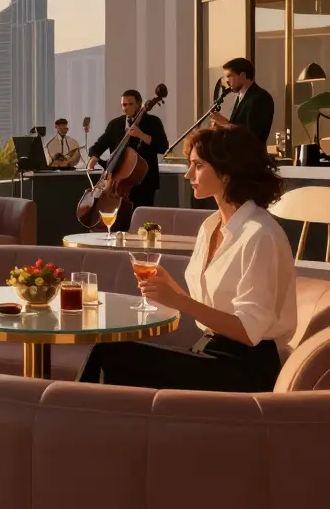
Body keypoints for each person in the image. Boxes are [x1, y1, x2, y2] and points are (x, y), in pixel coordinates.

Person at [78, 125, 294, 392]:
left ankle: (67, 429)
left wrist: (178, 300)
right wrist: (171, 288)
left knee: (110, 357)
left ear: (226, 172)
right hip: (211, 352)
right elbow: (212, 310)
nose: (187, 174)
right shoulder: (211, 226)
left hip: (243, 369)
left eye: (198, 165)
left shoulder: (260, 235)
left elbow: (249, 332)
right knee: (110, 354)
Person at [87, 89, 169, 232]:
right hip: (118, 182)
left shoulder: (153, 122)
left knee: (142, 222)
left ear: (139, 104)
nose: (127, 108)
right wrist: (94, 157)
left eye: (130, 104)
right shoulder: (115, 124)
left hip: (144, 181)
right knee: (117, 223)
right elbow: (99, 145)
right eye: (124, 105)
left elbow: (163, 147)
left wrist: (142, 135)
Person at [210, 57, 275, 144]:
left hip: (251, 156)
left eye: (229, 76)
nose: (227, 81)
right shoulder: (240, 96)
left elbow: (254, 136)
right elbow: (239, 128)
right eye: (225, 77)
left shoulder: (261, 98)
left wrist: (226, 124)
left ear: (242, 76)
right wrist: (221, 128)